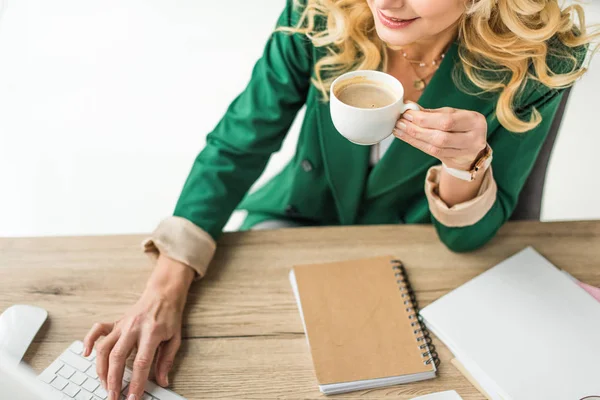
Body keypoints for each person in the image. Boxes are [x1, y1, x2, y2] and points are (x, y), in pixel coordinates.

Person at [83, 1, 598, 399]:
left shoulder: (541, 59)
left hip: (425, 257)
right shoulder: (320, 10)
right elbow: (239, 142)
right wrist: (165, 285)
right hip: (294, 223)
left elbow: (465, 239)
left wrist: (463, 165)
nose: (386, 3)